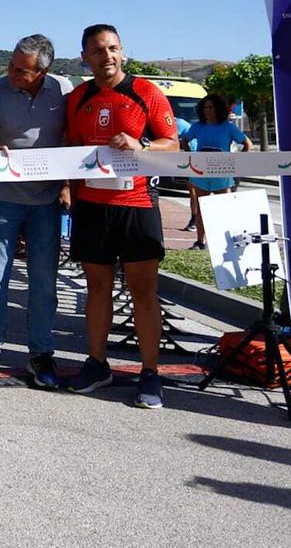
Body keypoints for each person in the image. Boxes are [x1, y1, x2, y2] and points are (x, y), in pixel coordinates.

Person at [64, 24, 179, 409]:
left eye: (112, 48)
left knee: (142, 291)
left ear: (122, 51)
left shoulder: (146, 91)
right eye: (98, 50)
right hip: (92, 206)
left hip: (136, 205)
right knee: (97, 289)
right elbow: (71, 148)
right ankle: (97, 364)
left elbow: (172, 145)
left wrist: (141, 144)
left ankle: (150, 373)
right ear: (85, 57)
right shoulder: (78, 97)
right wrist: (68, 188)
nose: (107, 56)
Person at [0, 34, 72, 390]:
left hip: (46, 201)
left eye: (22, 70)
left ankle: (41, 353)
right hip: (2, 198)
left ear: (43, 72)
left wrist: (67, 185)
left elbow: (70, 138)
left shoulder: (63, 90)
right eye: (11, 65)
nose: (12, 73)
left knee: (44, 282)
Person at [179, 93, 252, 250]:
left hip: (222, 174)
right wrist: (190, 156)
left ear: (218, 108)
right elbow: (185, 139)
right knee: (201, 208)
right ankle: (200, 241)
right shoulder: (197, 127)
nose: (208, 110)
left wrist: (237, 162)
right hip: (201, 174)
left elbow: (247, 144)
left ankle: (225, 242)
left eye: (211, 107)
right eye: (205, 107)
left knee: (224, 208)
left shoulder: (228, 127)